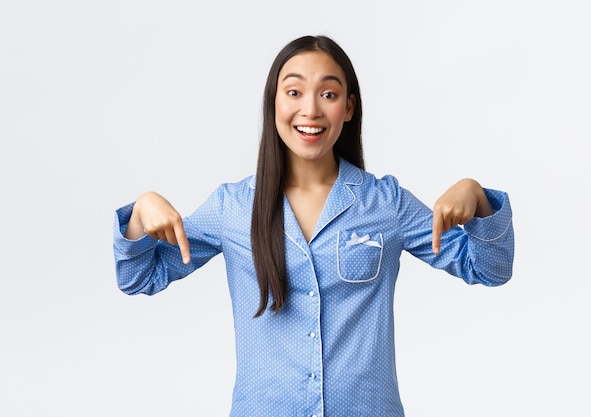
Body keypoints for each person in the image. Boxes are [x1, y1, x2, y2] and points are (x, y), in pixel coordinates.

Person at [113, 35, 514, 417]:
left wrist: (476, 197)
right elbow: (139, 278)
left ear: (349, 107)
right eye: (293, 92)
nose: (311, 110)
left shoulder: (385, 203)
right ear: (273, 103)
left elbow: (489, 269)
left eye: (328, 93)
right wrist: (139, 213)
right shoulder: (232, 208)